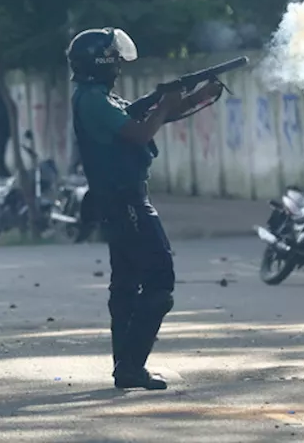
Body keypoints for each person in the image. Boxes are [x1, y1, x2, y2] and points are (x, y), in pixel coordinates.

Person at [67, 27, 224, 391]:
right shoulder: (93, 100)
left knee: (125, 284)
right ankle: (132, 365)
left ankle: (126, 366)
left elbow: (151, 118)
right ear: (103, 61)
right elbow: (140, 133)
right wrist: (167, 103)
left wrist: (197, 97)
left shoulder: (99, 98)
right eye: (115, 58)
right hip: (126, 201)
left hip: (120, 199)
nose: (120, 65)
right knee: (159, 280)